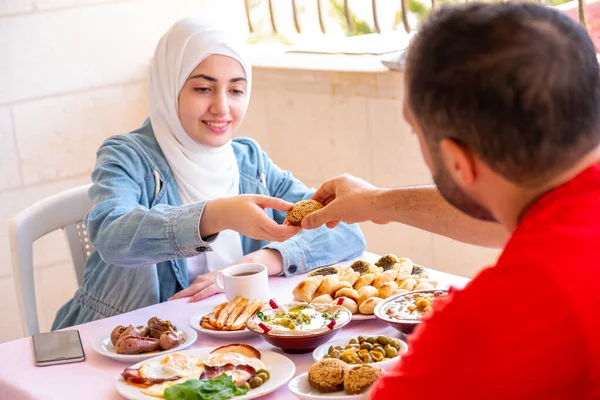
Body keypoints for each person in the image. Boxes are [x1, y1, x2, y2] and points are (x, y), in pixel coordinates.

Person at [304, 3, 600, 398]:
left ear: (459, 161)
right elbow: (520, 219)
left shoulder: (486, 327)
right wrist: (375, 202)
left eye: (415, 131)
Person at [51, 19, 366, 330]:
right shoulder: (127, 155)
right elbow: (111, 235)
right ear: (169, 85)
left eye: (236, 90)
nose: (222, 107)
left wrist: (255, 263)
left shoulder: (248, 160)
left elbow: (344, 231)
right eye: (203, 88)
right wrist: (214, 216)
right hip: (123, 342)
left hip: (216, 337)